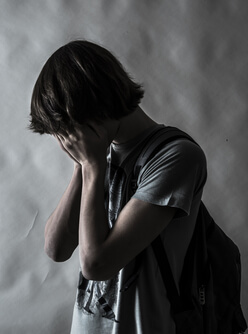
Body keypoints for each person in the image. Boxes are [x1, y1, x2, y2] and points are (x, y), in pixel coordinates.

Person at [28, 40, 207, 333]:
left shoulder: (176, 156)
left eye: (67, 128)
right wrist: (82, 166)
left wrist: (94, 166)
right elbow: (56, 248)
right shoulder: (98, 154)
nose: (65, 141)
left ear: (94, 105)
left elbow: (96, 265)